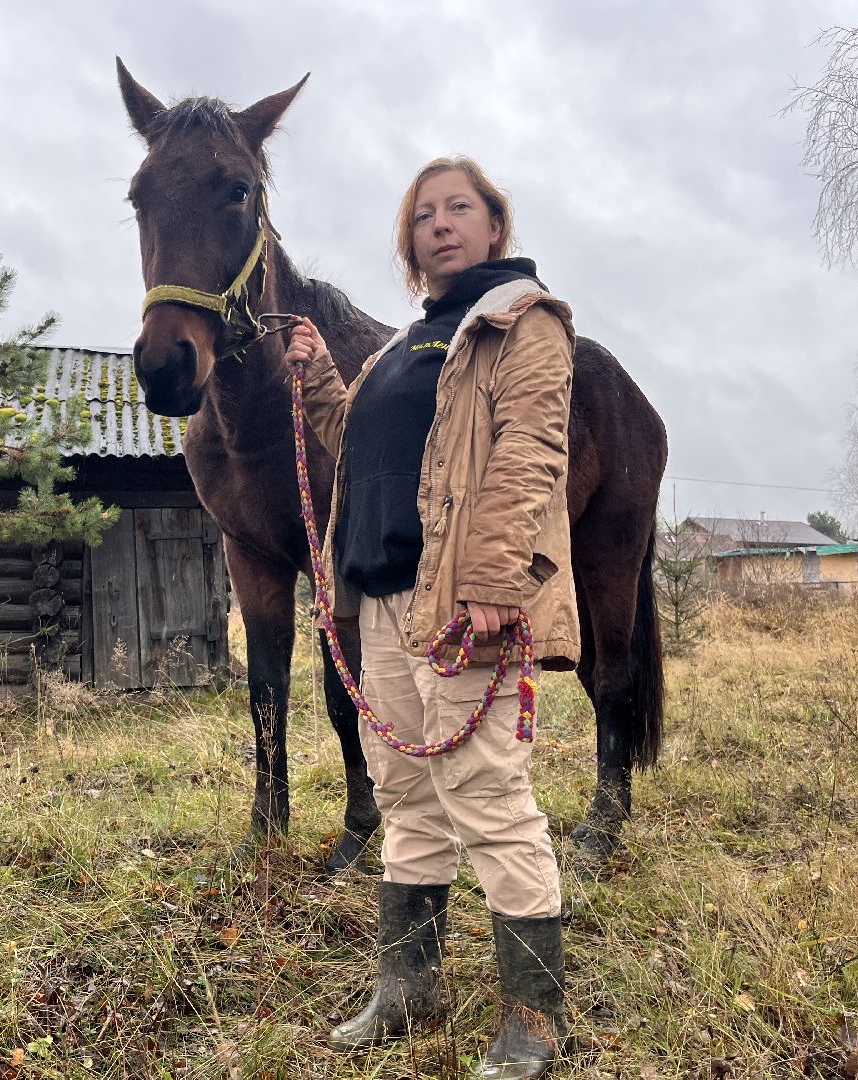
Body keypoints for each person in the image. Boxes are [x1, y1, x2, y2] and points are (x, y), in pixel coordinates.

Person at [285, 156, 578, 1079]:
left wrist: (494, 577)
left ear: (495, 225)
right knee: (407, 795)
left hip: (458, 599)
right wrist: (328, 386)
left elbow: (529, 451)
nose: (441, 224)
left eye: (460, 208)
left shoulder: (523, 326)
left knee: (487, 796)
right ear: (409, 242)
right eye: (423, 215)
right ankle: (406, 988)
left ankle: (533, 1019)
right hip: (374, 596)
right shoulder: (400, 348)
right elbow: (367, 449)